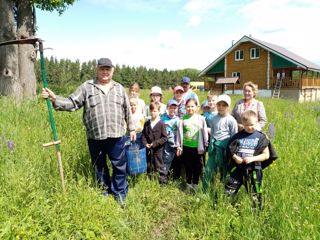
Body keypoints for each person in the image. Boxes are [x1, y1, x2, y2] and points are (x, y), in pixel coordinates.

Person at [42, 57, 136, 204]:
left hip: (117, 135)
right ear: (96, 70)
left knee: (119, 166)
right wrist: (55, 99)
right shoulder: (87, 87)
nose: (105, 72)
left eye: (108, 69)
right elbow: (73, 102)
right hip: (95, 136)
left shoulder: (119, 88)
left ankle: (119, 193)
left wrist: (131, 129)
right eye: (102, 69)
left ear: (112, 71)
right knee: (99, 166)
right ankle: (105, 190)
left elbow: (127, 110)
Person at [224, 110, 277, 210]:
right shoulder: (238, 136)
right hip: (239, 169)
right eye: (246, 125)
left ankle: (256, 212)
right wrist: (235, 157)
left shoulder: (260, 137)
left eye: (252, 124)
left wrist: (252, 159)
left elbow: (266, 155)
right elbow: (230, 150)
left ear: (257, 122)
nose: (249, 127)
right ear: (242, 124)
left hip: (254, 170)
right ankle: (226, 208)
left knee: (255, 193)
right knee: (229, 190)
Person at [202, 94, 237, 192]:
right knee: (209, 169)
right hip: (214, 146)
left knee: (224, 170)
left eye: (224, 105)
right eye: (219, 105)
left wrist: (230, 151)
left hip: (225, 148)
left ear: (228, 107)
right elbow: (213, 132)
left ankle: (224, 191)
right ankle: (205, 190)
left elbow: (234, 137)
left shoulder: (231, 120)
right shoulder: (213, 118)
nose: (221, 107)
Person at [177, 98, 208, 191]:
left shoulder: (201, 119)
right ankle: (188, 184)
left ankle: (195, 184)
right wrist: (179, 146)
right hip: (186, 148)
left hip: (198, 148)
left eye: (192, 106)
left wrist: (206, 144)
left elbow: (205, 133)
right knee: (188, 166)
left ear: (197, 107)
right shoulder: (182, 119)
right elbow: (179, 134)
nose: (190, 108)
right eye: (188, 106)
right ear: (185, 107)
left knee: (197, 167)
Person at [142, 102, 168, 184]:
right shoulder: (147, 123)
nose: (153, 113)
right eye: (152, 111)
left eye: (155, 111)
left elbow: (164, 137)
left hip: (158, 149)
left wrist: (155, 143)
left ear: (159, 111)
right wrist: (145, 143)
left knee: (159, 164)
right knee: (149, 164)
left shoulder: (161, 123)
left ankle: (162, 181)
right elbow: (143, 135)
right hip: (148, 148)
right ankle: (150, 179)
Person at [161, 99, 181, 177]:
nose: (172, 109)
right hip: (166, 143)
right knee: (167, 158)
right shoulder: (163, 119)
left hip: (176, 143)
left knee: (177, 159)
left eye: (174, 108)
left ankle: (175, 177)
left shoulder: (178, 120)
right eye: (171, 108)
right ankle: (164, 177)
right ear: (167, 108)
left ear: (177, 109)